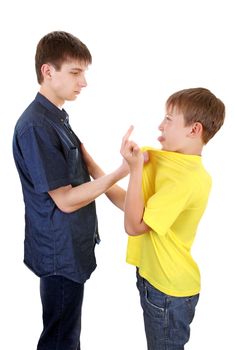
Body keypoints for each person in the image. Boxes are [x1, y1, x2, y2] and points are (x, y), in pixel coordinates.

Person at [12, 31, 127, 350]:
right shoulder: (36, 126)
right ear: (48, 72)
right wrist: (122, 170)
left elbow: (83, 169)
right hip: (58, 252)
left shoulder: (57, 117)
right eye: (75, 72)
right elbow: (63, 200)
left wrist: (118, 180)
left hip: (68, 248)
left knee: (65, 331)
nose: (84, 82)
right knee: (61, 337)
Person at [120, 87, 225, 350]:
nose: (160, 125)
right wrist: (90, 169)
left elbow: (134, 226)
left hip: (168, 291)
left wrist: (134, 171)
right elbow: (132, 208)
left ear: (194, 130)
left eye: (169, 118)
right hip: (152, 278)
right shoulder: (167, 163)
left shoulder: (187, 179)